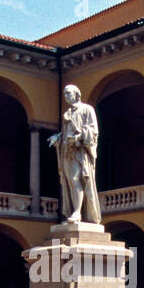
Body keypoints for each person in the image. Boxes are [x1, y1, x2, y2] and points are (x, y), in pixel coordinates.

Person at [48, 84, 102, 224]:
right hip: (67, 151)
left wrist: (78, 137)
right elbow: (66, 132)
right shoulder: (67, 113)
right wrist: (58, 137)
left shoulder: (87, 109)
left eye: (69, 93)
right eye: (65, 94)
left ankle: (77, 213)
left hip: (80, 152)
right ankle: (75, 211)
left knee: (75, 180)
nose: (66, 96)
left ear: (76, 94)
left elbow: (94, 130)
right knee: (69, 182)